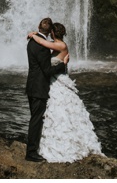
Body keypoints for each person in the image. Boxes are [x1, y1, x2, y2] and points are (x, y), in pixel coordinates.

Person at [26, 22, 103, 162]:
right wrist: (35, 35)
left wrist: (34, 35)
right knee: (52, 114)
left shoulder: (60, 45)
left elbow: (43, 42)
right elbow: (45, 42)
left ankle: (60, 144)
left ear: (53, 33)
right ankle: (43, 145)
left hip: (57, 82)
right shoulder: (52, 42)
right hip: (51, 83)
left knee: (60, 113)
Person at [25, 17, 54, 162]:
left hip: (31, 85)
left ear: (39, 27)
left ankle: (34, 148)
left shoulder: (32, 41)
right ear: (50, 31)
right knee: (36, 120)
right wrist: (63, 65)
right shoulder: (42, 46)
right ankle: (31, 153)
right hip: (39, 87)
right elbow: (47, 70)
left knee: (34, 118)